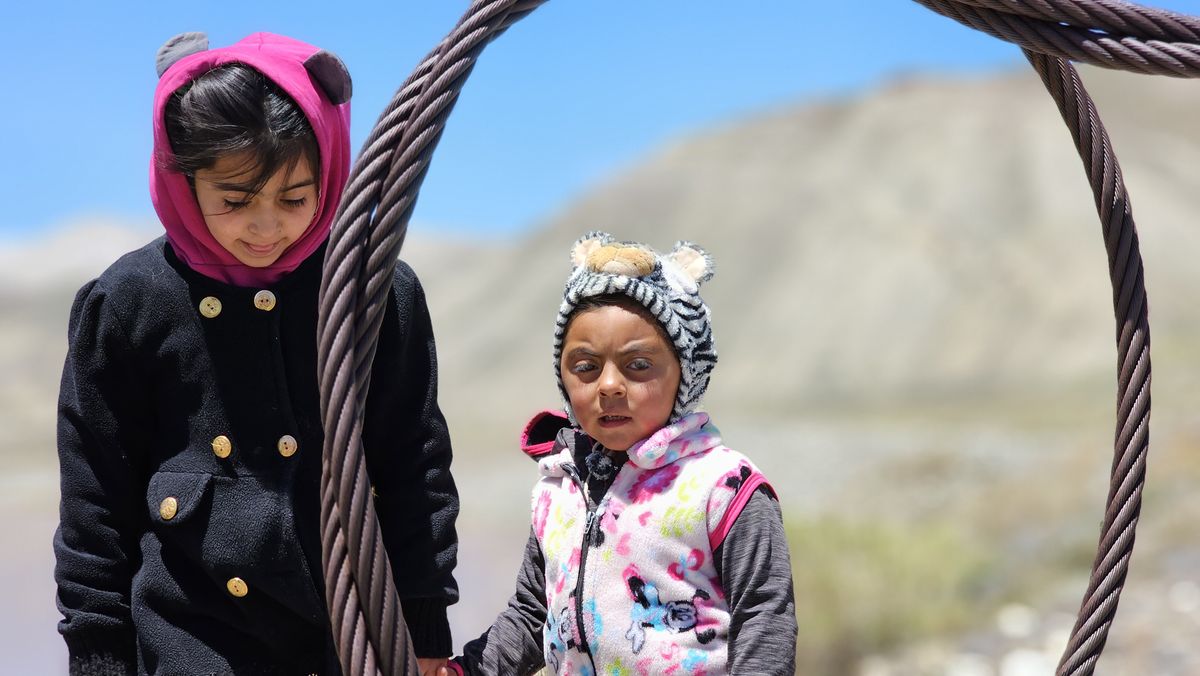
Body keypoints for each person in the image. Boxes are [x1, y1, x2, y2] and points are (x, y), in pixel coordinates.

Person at [53, 32, 459, 675]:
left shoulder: (373, 291)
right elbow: (95, 503)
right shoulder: (126, 303)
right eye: (235, 201)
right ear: (183, 180)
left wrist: (424, 626)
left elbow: (414, 463)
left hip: (348, 642)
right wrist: (98, 659)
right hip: (189, 645)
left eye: (295, 198)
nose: (267, 227)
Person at [446, 232, 797, 675]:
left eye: (638, 365)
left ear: (685, 371)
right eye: (586, 367)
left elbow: (764, 616)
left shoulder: (724, 487)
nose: (609, 385)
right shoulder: (558, 490)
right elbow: (533, 613)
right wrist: (469, 670)